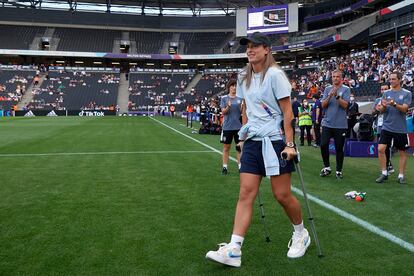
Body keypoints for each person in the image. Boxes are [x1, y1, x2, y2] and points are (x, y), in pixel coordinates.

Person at [206, 32, 310, 268]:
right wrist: (243, 135)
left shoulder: (275, 75)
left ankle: (300, 233)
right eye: (248, 47)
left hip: (275, 140)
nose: (250, 50)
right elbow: (246, 108)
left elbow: (288, 113)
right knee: (246, 192)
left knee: (281, 194)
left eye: (255, 46)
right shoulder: (243, 76)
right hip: (253, 140)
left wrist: (290, 144)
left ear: (266, 49)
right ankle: (234, 248)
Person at [375, 72, 412, 184]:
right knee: (380, 149)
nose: (391, 81)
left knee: (402, 152)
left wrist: (394, 104)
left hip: (400, 127)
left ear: (400, 80)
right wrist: (382, 107)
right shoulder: (386, 93)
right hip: (387, 126)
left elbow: (405, 109)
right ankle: (384, 173)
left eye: (394, 79)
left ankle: (401, 176)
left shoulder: (407, 93)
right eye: (390, 79)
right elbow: (381, 110)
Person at [319, 69, 350, 179]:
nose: (335, 78)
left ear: (341, 78)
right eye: (333, 76)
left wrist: (337, 96)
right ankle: (327, 167)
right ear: (331, 77)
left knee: (338, 148)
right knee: (323, 144)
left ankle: (338, 170)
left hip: (340, 124)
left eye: (337, 76)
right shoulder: (327, 89)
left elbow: (346, 105)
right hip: (327, 123)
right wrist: (329, 96)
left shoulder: (346, 90)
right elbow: (323, 105)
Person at [220, 79, 243, 175]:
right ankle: (225, 167)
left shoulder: (240, 98)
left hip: (238, 127)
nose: (234, 87)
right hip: (227, 127)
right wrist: (228, 107)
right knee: (226, 147)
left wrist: (242, 107)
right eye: (232, 85)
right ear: (229, 87)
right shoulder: (224, 98)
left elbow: (242, 112)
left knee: (239, 148)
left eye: (235, 86)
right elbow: (223, 112)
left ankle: (240, 167)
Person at [372, 83, 393, 174]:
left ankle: (388, 165)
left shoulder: (392, 100)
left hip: (390, 126)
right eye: (382, 89)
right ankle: (387, 165)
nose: (383, 91)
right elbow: (373, 112)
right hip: (380, 126)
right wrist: (377, 109)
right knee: (382, 147)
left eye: (385, 89)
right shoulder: (378, 100)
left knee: (387, 147)